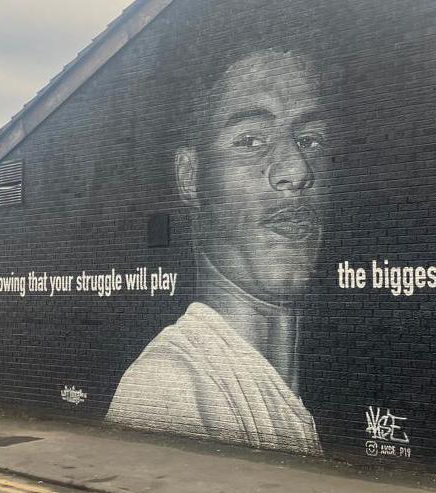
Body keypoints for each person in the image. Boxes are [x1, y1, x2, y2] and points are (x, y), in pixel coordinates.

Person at [106, 46, 336, 455]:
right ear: (191, 177)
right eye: (250, 141)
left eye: (311, 140)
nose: (296, 171)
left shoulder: (284, 391)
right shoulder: (173, 387)